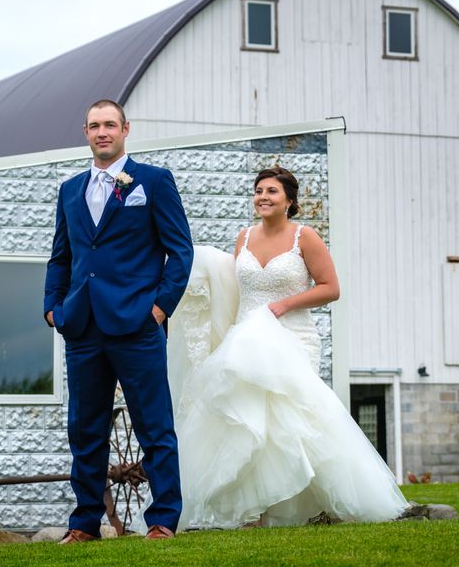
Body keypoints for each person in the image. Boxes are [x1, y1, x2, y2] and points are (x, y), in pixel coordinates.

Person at [168, 167, 408, 529]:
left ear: (289, 200)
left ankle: (316, 502)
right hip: (247, 339)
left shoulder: (304, 237)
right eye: (258, 191)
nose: (263, 197)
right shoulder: (244, 238)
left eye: (272, 191)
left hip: (292, 335)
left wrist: (283, 305)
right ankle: (252, 510)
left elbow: (330, 288)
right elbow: (234, 288)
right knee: (247, 420)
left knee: (291, 418)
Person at [44, 99, 194, 543]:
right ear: (86, 133)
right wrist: (53, 307)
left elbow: (180, 251)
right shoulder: (70, 190)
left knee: (154, 426)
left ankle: (163, 519)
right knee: (85, 429)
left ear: (125, 129)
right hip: (82, 327)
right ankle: (84, 523)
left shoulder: (154, 181)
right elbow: (61, 256)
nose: (102, 132)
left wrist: (159, 308)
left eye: (110, 124)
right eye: (94, 126)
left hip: (137, 325)